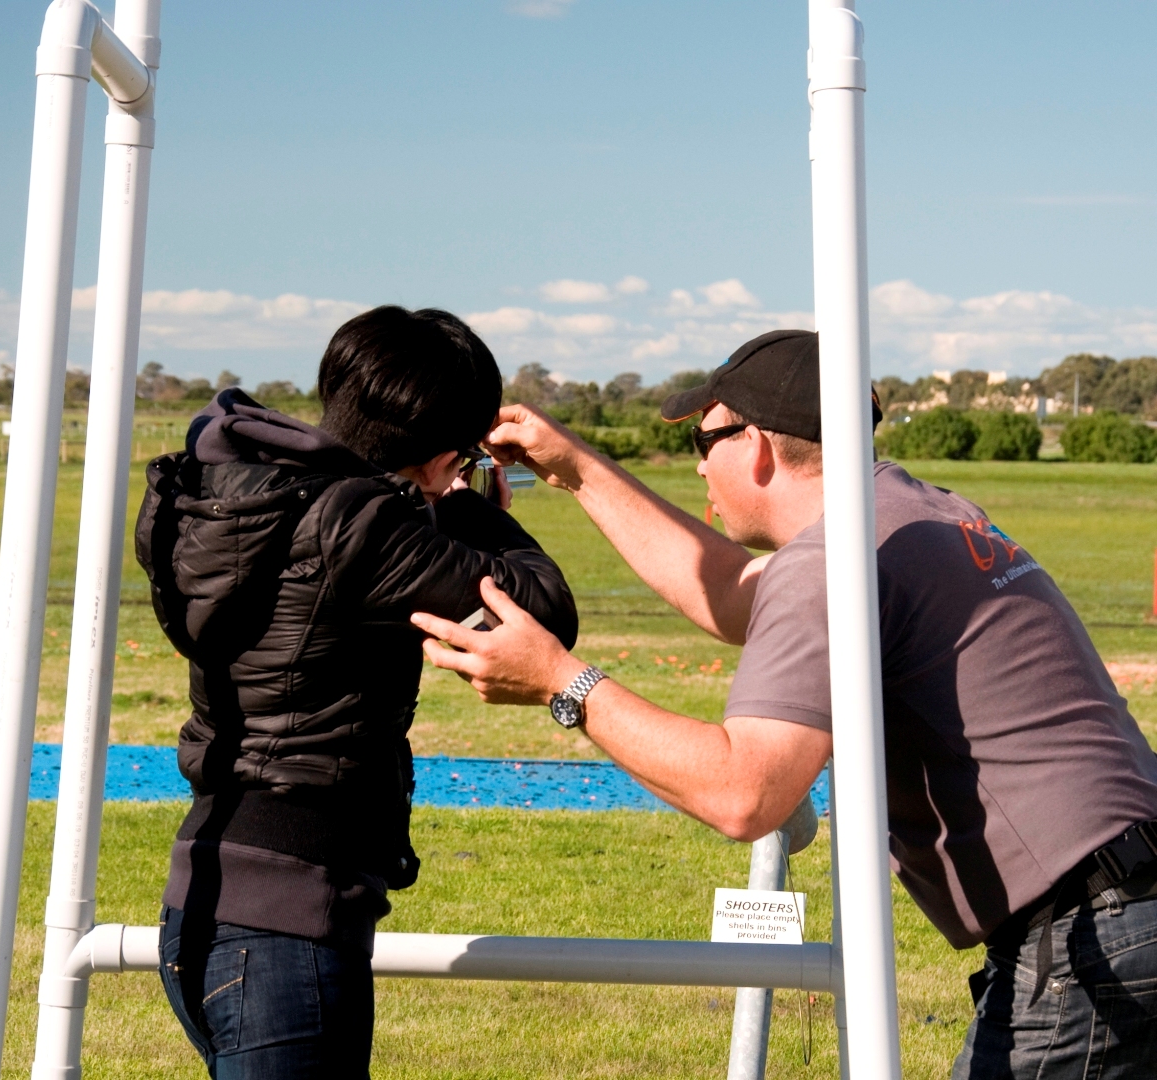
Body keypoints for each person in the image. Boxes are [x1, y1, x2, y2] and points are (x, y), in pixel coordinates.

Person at [410, 328, 1157, 1079]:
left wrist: (560, 683)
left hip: (1091, 934)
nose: (699, 464)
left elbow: (745, 794)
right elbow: (736, 598)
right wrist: (578, 470)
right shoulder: (906, 513)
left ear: (757, 444)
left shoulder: (832, 561)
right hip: (1123, 904)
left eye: (706, 440)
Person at [137, 305, 577, 1079]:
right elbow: (541, 613)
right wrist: (470, 508)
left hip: (204, 895)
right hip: (289, 924)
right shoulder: (361, 522)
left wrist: (440, 489)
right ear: (444, 453)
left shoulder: (238, 496)